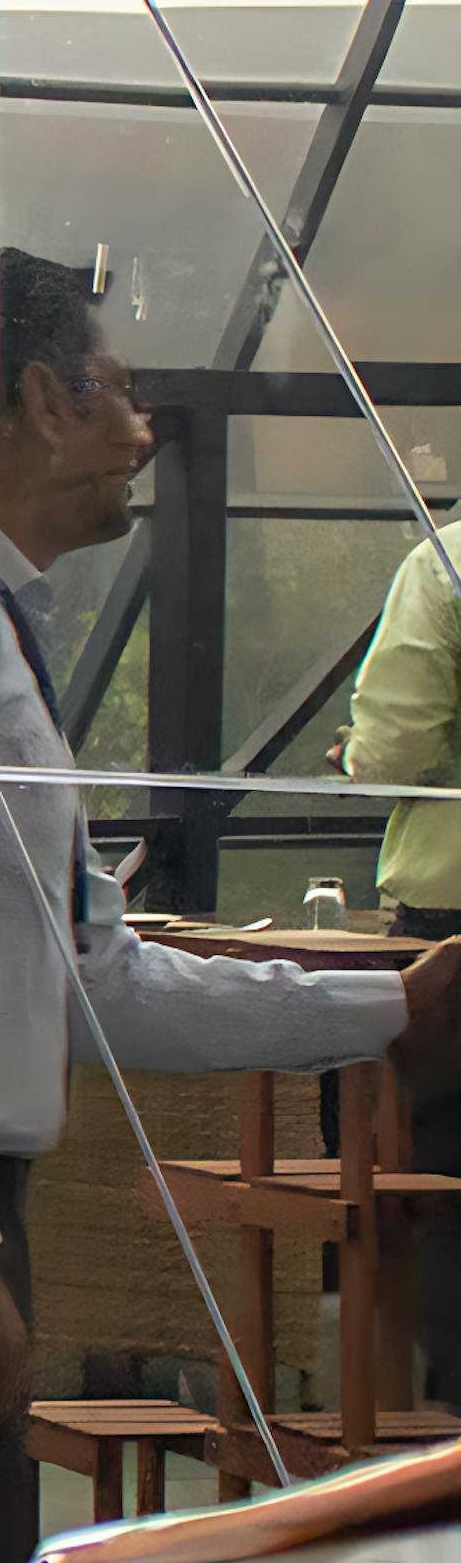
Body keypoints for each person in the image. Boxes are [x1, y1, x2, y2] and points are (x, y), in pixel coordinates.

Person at [0, 244, 461, 1563]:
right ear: (39, 400)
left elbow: (81, 973)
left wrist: (394, 1008)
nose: (143, 432)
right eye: (119, 393)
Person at [342, 523, 461, 1400]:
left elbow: (394, 749)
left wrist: (353, 757)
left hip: (451, 926)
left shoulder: (447, 562)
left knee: (438, 1191)